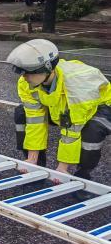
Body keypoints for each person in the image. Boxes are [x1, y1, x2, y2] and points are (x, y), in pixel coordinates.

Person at [7, 39, 110, 179]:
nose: (23, 77)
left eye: (27, 72)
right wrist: (32, 159)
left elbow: (72, 128)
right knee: (22, 113)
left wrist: (62, 167)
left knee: (92, 131)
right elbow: (34, 120)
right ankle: (36, 165)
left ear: (47, 69)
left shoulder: (76, 86)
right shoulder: (26, 83)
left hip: (100, 106)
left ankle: (83, 175)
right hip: (63, 107)